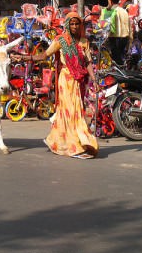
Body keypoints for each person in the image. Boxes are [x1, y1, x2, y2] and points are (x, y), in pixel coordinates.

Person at [12, 12, 99, 159]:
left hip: (78, 82)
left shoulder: (84, 41)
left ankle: (66, 142)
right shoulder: (60, 40)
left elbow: (88, 62)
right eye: (71, 24)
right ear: (67, 25)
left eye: (77, 23)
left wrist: (94, 80)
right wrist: (24, 57)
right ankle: (74, 147)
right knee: (70, 112)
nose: (74, 26)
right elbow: (44, 55)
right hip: (65, 80)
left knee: (77, 111)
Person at [100, 0, 133, 66]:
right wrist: (130, 41)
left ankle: (119, 76)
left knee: (115, 61)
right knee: (120, 58)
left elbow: (103, 27)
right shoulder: (124, 11)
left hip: (114, 39)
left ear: (110, 0)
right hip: (124, 39)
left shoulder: (108, 11)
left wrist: (104, 39)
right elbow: (130, 28)